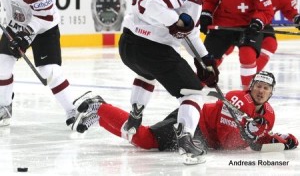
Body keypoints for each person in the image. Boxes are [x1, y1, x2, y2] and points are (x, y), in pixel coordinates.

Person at [111, 0, 219, 164]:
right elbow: (150, 4)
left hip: (129, 46)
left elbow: (190, 34)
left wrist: (205, 60)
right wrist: (175, 21)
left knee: (146, 75)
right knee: (193, 93)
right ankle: (186, 140)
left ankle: (134, 118)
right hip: (152, 49)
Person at [71, 71, 298, 160]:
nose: (260, 91)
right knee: (144, 139)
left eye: (265, 88)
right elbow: (225, 141)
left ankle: (101, 118)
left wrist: (275, 140)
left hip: (201, 137)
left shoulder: (268, 114)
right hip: (193, 123)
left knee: (141, 139)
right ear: (251, 87)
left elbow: (254, 139)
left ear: (271, 92)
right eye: (258, 86)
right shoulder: (237, 99)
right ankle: (99, 105)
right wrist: (248, 135)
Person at [0, 0, 77, 128]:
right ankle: (4, 108)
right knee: (2, 64)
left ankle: (73, 111)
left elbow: (44, 16)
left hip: (44, 27)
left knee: (49, 71)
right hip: (16, 24)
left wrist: (25, 36)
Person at [199, 0, 274, 90]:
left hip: (247, 27)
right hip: (223, 25)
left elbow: (266, 10)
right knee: (208, 58)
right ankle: (197, 86)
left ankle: (248, 91)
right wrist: (206, 15)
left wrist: (257, 22)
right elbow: (208, 0)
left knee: (247, 55)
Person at [223, 0, 300, 72]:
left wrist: (297, 18)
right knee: (226, 47)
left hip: (262, 23)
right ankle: (205, 75)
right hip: (241, 20)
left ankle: (253, 75)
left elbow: (290, 10)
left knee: (270, 44)